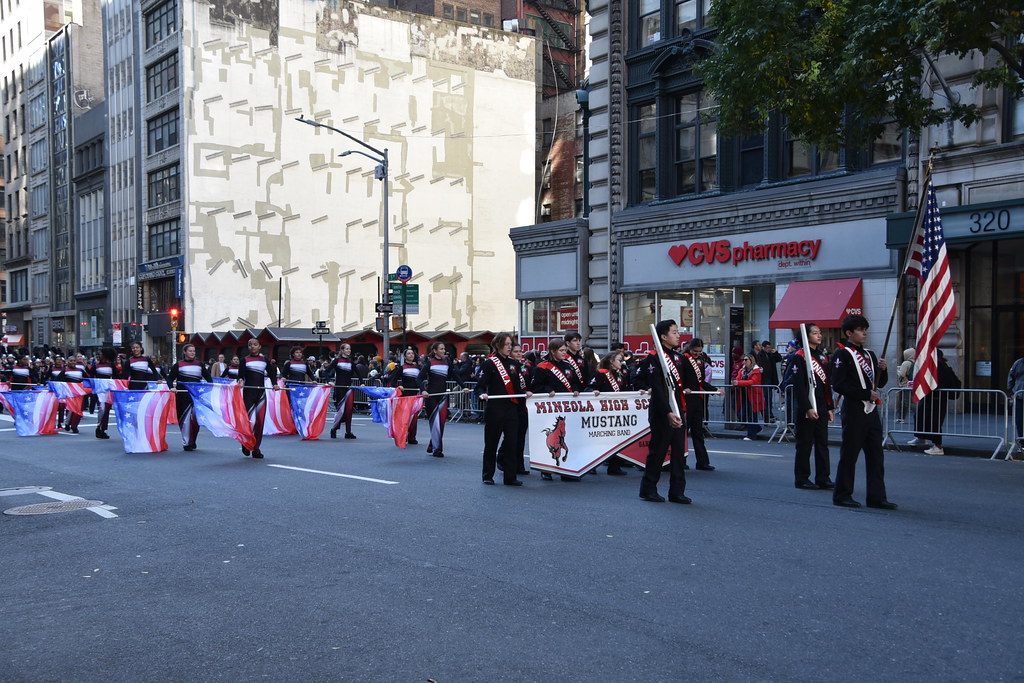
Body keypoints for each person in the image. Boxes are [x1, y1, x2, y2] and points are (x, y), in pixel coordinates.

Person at [831, 314, 896, 509]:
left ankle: (876, 497)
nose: (864, 332)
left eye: (865, 328)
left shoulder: (870, 355)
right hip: (854, 410)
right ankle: (842, 495)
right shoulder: (842, 354)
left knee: (876, 454)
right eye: (860, 329)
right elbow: (839, 384)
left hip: (871, 411)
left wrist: (883, 371)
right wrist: (864, 393)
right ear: (849, 333)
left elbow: (879, 383)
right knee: (850, 454)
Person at [638, 319, 690, 504]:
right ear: (663, 336)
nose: (678, 335)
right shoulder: (654, 358)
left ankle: (677, 491)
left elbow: (683, 384)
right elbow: (658, 388)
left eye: (678, 332)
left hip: (679, 409)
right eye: (674, 332)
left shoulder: (679, 358)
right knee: (658, 451)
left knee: (679, 453)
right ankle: (648, 488)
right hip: (662, 411)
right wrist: (668, 412)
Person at [476, 332, 527, 486]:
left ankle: (510, 476)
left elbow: (518, 388)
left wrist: (526, 393)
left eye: (510, 344)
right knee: (491, 442)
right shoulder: (489, 363)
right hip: (495, 408)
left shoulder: (515, 365)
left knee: (512, 442)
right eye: (506, 344)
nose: (509, 347)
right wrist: (482, 394)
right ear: (498, 345)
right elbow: (480, 385)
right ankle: (487, 475)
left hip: (511, 408)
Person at [790, 324, 835, 490]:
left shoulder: (822, 356)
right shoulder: (799, 357)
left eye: (820, 332)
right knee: (805, 444)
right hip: (807, 407)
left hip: (822, 406)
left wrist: (829, 407)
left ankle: (823, 477)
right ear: (806, 335)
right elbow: (799, 387)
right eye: (815, 333)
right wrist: (807, 407)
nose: (819, 335)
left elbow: (826, 384)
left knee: (822, 443)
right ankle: (802, 478)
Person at [532, 339, 583, 481]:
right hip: (550, 409)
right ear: (553, 351)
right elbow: (536, 387)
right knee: (550, 439)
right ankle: (546, 469)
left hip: (567, 408)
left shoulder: (569, 366)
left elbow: (576, 383)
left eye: (565, 350)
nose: (564, 353)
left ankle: (567, 470)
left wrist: (577, 390)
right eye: (561, 350)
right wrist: (548, 390)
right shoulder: (542, 367)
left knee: (568, 438)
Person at [418, 341, 467, 458]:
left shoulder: (447, 362)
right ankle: (437, 449)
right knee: (435, 423)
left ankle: (432, 445)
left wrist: (464, 386)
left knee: (441, 423)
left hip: (443, 396)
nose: (443, 351)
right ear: (435, 350)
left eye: (444, 349)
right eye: (441, 349)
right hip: (431, 397)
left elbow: (455, 376)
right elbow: (419, 378)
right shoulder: (429, 363)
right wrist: (423, 390)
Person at [589, 350, 634, 476]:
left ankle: (615, 466)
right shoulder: (601, 374)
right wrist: (594, 392)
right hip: (604, 412)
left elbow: (627, 390)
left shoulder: (620, 375)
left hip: (618, 411)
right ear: (611, 361)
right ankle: (592, 465)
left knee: (617, 439)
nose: (622, 362)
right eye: (619, 360)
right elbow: (590, 387)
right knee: (599, 440)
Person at [679, 338, 721, 471]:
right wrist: (684, 388)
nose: (697, 353)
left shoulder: (701, 360)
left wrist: (715, 390)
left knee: (698, 432)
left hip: (697, 399)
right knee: (683, 432)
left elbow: (701, 382)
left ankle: (702, 462)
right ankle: (681, 460)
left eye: (699, 351)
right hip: (686, 399)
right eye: (695, 351)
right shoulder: (683, 359)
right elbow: (678, 378)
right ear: (690, 348)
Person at [913, 349, 961, 456]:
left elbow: (939, 382)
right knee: (921, 415)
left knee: (934, 421)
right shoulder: (938, 364)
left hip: (936, 397)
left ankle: (938, 445)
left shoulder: (939, 365)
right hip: (931, 396)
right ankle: (921, 436)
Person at [166, 344, 213, 451]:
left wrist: (210, 387)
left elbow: (208, 377)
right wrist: (171, 387)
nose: (192, 353)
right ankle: (186, 443)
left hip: (196, 396)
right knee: (185, 420)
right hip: (182, 396)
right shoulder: (178, 365)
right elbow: (169, 378)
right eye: (190, 351)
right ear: (184, 352)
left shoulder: (199, 365)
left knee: (195, 420)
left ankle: (192, 441)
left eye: (194, 351)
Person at [239, 338, 278, 459]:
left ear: (259, 346)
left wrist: (275, 384)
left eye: (255, 345)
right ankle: (246, 443)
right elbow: (241, 376)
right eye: (250, 345)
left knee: (260, 422)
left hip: (261, 394)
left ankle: (256, 449)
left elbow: (272, 374)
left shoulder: (265, 360)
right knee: (251, 421)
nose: (252, 347)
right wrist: (240, 381)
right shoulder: (244, 360)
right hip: (248, 394)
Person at [390, 347, 423, 445]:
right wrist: (398, 386)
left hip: (415, 395)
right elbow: (392, 380)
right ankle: (403, 436)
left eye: (412, 353)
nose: (411, 355)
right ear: (405, 356)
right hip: (405, 396)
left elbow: (422, 379)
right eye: (409, 354)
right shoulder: (401, 367)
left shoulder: (418, 367)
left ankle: (412, 437)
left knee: (414, 417)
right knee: (405, 417)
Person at [328, 343, 360, 440]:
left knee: (348, 411)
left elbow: (358, 373)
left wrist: (362, 382)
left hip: (348, 389)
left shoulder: (350, 361)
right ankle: (333, 429)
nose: (348, 350)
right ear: (342, 350)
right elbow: (326, 372)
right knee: (340, 410)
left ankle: (348, 432)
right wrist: (328, 381)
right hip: (339, 388)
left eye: (349, 349)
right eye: (346, 349)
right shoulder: (337, 361)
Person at [732, 354, 765, 440]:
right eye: (743, 360)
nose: (744, 361)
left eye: (746, 360)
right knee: (742, 414)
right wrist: (737, 382)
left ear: (751, 361)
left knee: (752, 415)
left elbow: (752, 382)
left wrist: (739, 383)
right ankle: (756, 428)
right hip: (744, 395)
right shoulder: (742, 370)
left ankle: (751, 435)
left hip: (753, 395)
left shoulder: (756, 371)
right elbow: (738, 378)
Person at [895, 349, 915, 424]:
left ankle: (901, 418)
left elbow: (902, 375)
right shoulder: (916, 362)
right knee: (913, 401)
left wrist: (898, 370)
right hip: (915, 385)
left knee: (905, 402)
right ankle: (922, 416)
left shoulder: (906, 363)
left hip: (906, 385)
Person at [1009, 354, 1024, 450]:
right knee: (1020, 421)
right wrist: (1012, 391)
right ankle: (1022, 443)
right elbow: (1011, 377)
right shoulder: (1018, 363)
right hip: (1019, 397)